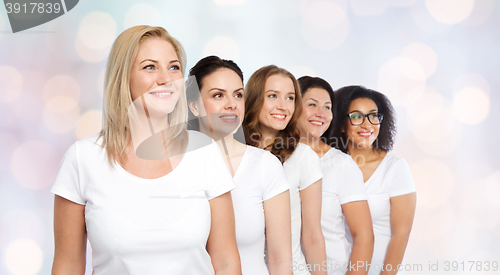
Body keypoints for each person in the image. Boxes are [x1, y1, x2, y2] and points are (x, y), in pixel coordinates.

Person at [51, 26, 241, 275]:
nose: (165, 78)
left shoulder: (204, 154)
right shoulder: (82, 159)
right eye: (150, 67)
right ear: (123, 77)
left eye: (174, 67)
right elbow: (68, 266)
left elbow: (226, 261)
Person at [186, 55, 292, 275]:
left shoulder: (265, 166)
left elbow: (281, 260)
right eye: (218, 95)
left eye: (238, 95)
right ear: (194, 106)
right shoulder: (175, 166)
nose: (231, 104)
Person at [243, 65, 327, 275]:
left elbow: (313, 236)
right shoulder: (234, 153)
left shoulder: (304, 157)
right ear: (254, 98)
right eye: (273, 96)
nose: (283, 106)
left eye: (290, 98)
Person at [329, 86, 416, 275]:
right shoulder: (330, 165)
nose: (367, 124)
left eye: (373, 116)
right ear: (341, 124)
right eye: (356, 116)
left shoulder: (395, 167)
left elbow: (401, 234)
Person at [297, 76, 374, 275]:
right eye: (312, 104)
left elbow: (363, 236)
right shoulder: (275, 160)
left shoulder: (341, 165)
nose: (321, 114)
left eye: (327, 107)